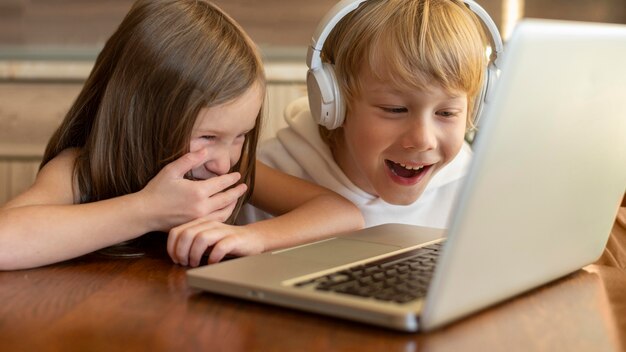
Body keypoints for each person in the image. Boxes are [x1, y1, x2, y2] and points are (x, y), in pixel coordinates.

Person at [0, 0, 363, 271]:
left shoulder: (225, 171)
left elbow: (343, 214)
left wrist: (252, 237)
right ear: (141, 115)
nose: (224, 160)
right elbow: (6, 241)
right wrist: (149, 210)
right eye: (206, 138)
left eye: (241, 135)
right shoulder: (82, 168)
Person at [241, 0, 499, 229]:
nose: (423, 140)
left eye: (446, 113)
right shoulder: (265, 178)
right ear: (334, 103)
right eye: (395, 109)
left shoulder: (471, 184)